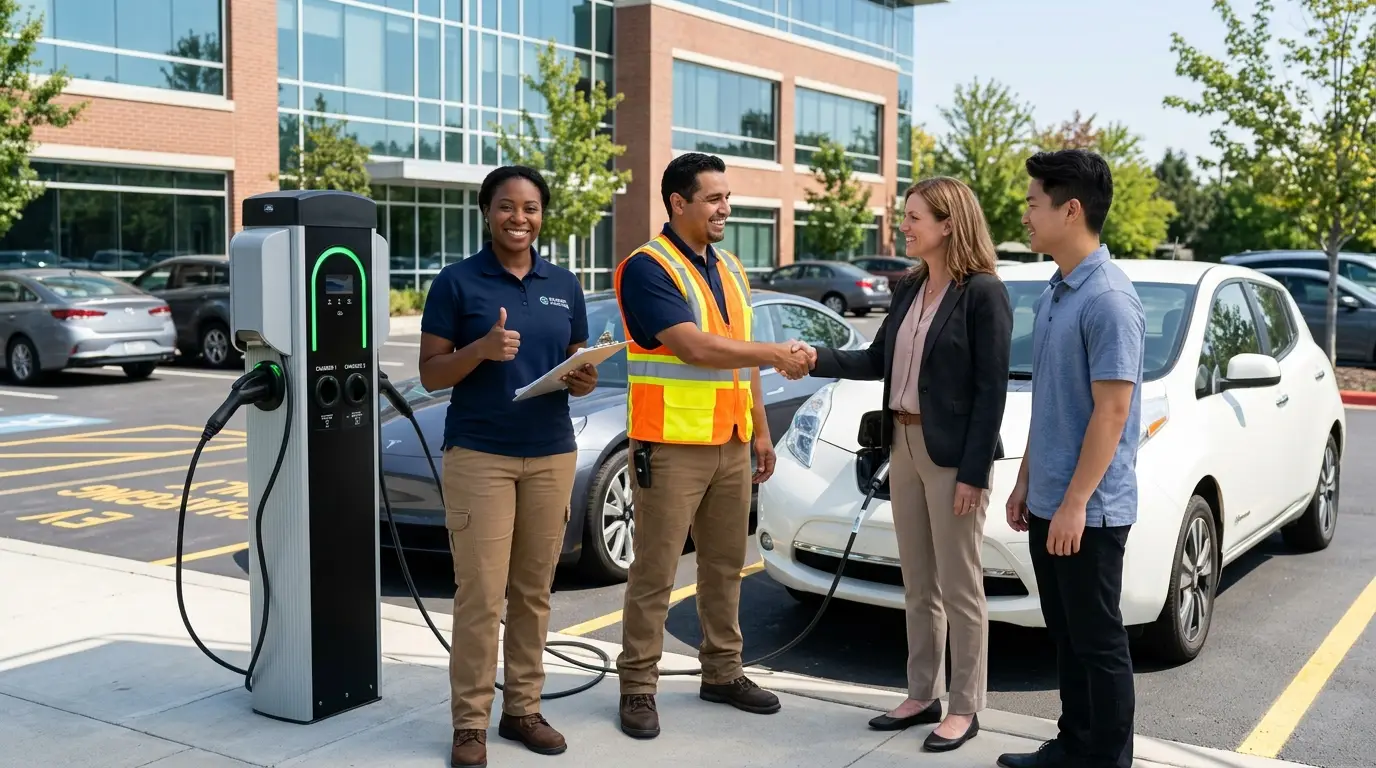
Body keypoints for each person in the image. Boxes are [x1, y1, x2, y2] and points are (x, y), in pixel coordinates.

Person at [788, 176, 1012, 753]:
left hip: (951, 456)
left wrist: (973, 474)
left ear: (948, 224)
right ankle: (921, 693)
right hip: (903, 446)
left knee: (961, 585)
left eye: (913, 217)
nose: (903, 226)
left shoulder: (983, 292)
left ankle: (966, 707)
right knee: (917, 579)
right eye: (905, 215)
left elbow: (991, 391)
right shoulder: (912, 287)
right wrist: (814, 358)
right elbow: (874, 358)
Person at [611, 152, 810, 739]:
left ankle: (722, 673)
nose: (726, 208)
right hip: (671, 446)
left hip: (730, 442)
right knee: (655, 573)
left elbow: (736, 352)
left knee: (724, 568)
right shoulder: (648, 268)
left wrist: (761, 430)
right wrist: (778, 355)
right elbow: (693, 347)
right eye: (715, 199)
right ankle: (638, 687)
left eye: (728, 198)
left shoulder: (729, 268)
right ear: (678, 203)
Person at [418, 165, 600, 768]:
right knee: (481, 596)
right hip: (481, 456)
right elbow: (430, 373)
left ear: (543, 215)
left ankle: (522, 709)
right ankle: (469, 724)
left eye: (531, 208)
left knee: (533, 592)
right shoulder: (457, 282)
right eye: (506, 207)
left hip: (551, 453)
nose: (519, 218)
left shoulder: (564, 283)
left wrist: (582, 377)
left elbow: (573, 359)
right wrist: (480, 350)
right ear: (486, 212)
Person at [998, 149, 1145, 768]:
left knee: (1098, 640)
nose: (1025, 215)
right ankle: (1074, 745)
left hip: (1091, 509)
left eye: (1034, 203)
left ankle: (1107, 760)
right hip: (1052, 498)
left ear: (1071, 209)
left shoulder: (1109, 300)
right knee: (1067, 635)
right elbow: (1052, 403)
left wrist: (1076, 502)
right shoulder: (1056, 292)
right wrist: (1027, 481)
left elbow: (1111, 415)